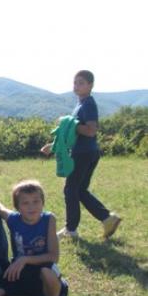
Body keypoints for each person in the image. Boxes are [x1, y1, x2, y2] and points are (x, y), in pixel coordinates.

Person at [41, 70, 121, 239]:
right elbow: (72, 134)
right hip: (87, 152)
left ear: (90, 85)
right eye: (75, 82)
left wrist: (70, 123)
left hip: (83, 154)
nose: (76, 86)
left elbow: (91, 130)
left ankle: (70, 230)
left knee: (70, 189)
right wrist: (53, 145)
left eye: (81, 83)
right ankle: (108, 218)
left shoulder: (88, 104)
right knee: (80, 190)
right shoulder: (81, 104)